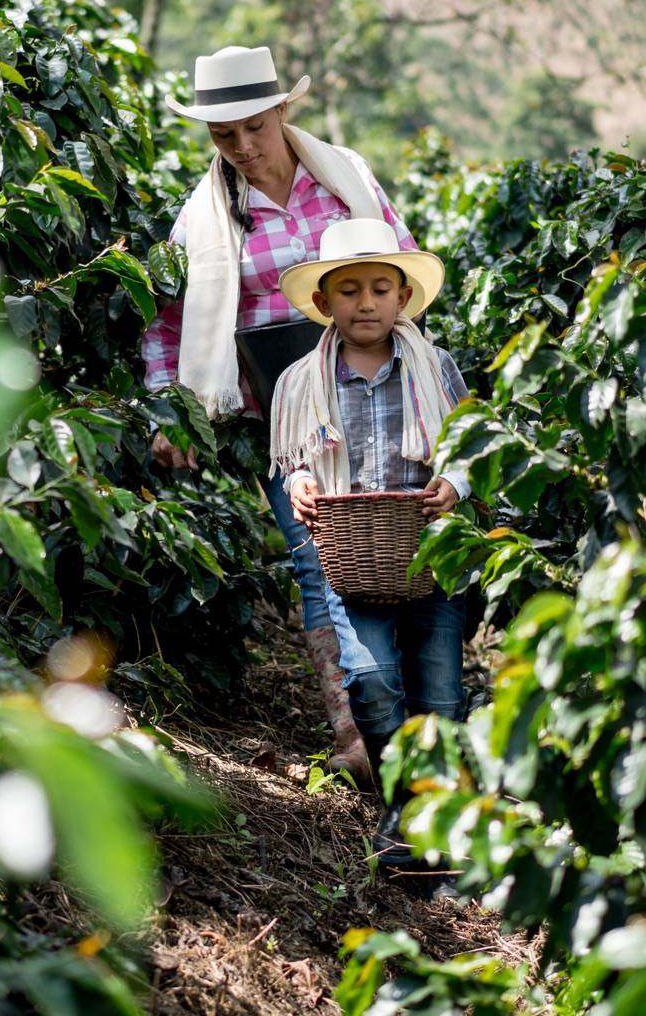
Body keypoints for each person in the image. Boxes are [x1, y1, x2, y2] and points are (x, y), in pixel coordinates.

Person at [146, 45, 424, 784]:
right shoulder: (205, 217)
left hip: (377, 390)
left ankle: (413, 714)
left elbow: (403, 265)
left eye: (254, 127)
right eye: (223, 136)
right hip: (287, 410)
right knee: (315, 555)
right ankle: (358, 730)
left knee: (391, 545)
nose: (241, 147)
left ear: (282, 112)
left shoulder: (345, 181)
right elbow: (165, 325)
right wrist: (168, 412)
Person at [269, 217, 470, 866]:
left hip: (432, 556)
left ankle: (428, 818)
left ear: (403, 298)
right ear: (324, 303)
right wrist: (301, 484)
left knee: (439, 694)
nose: (366, 302)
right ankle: (403, 797)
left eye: (380, 288)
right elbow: (296, 458)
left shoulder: (435, 368)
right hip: (352, 561)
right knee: (373, 677)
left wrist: (455, 485)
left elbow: (469, 444)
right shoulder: (304, 380)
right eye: (349, 290)